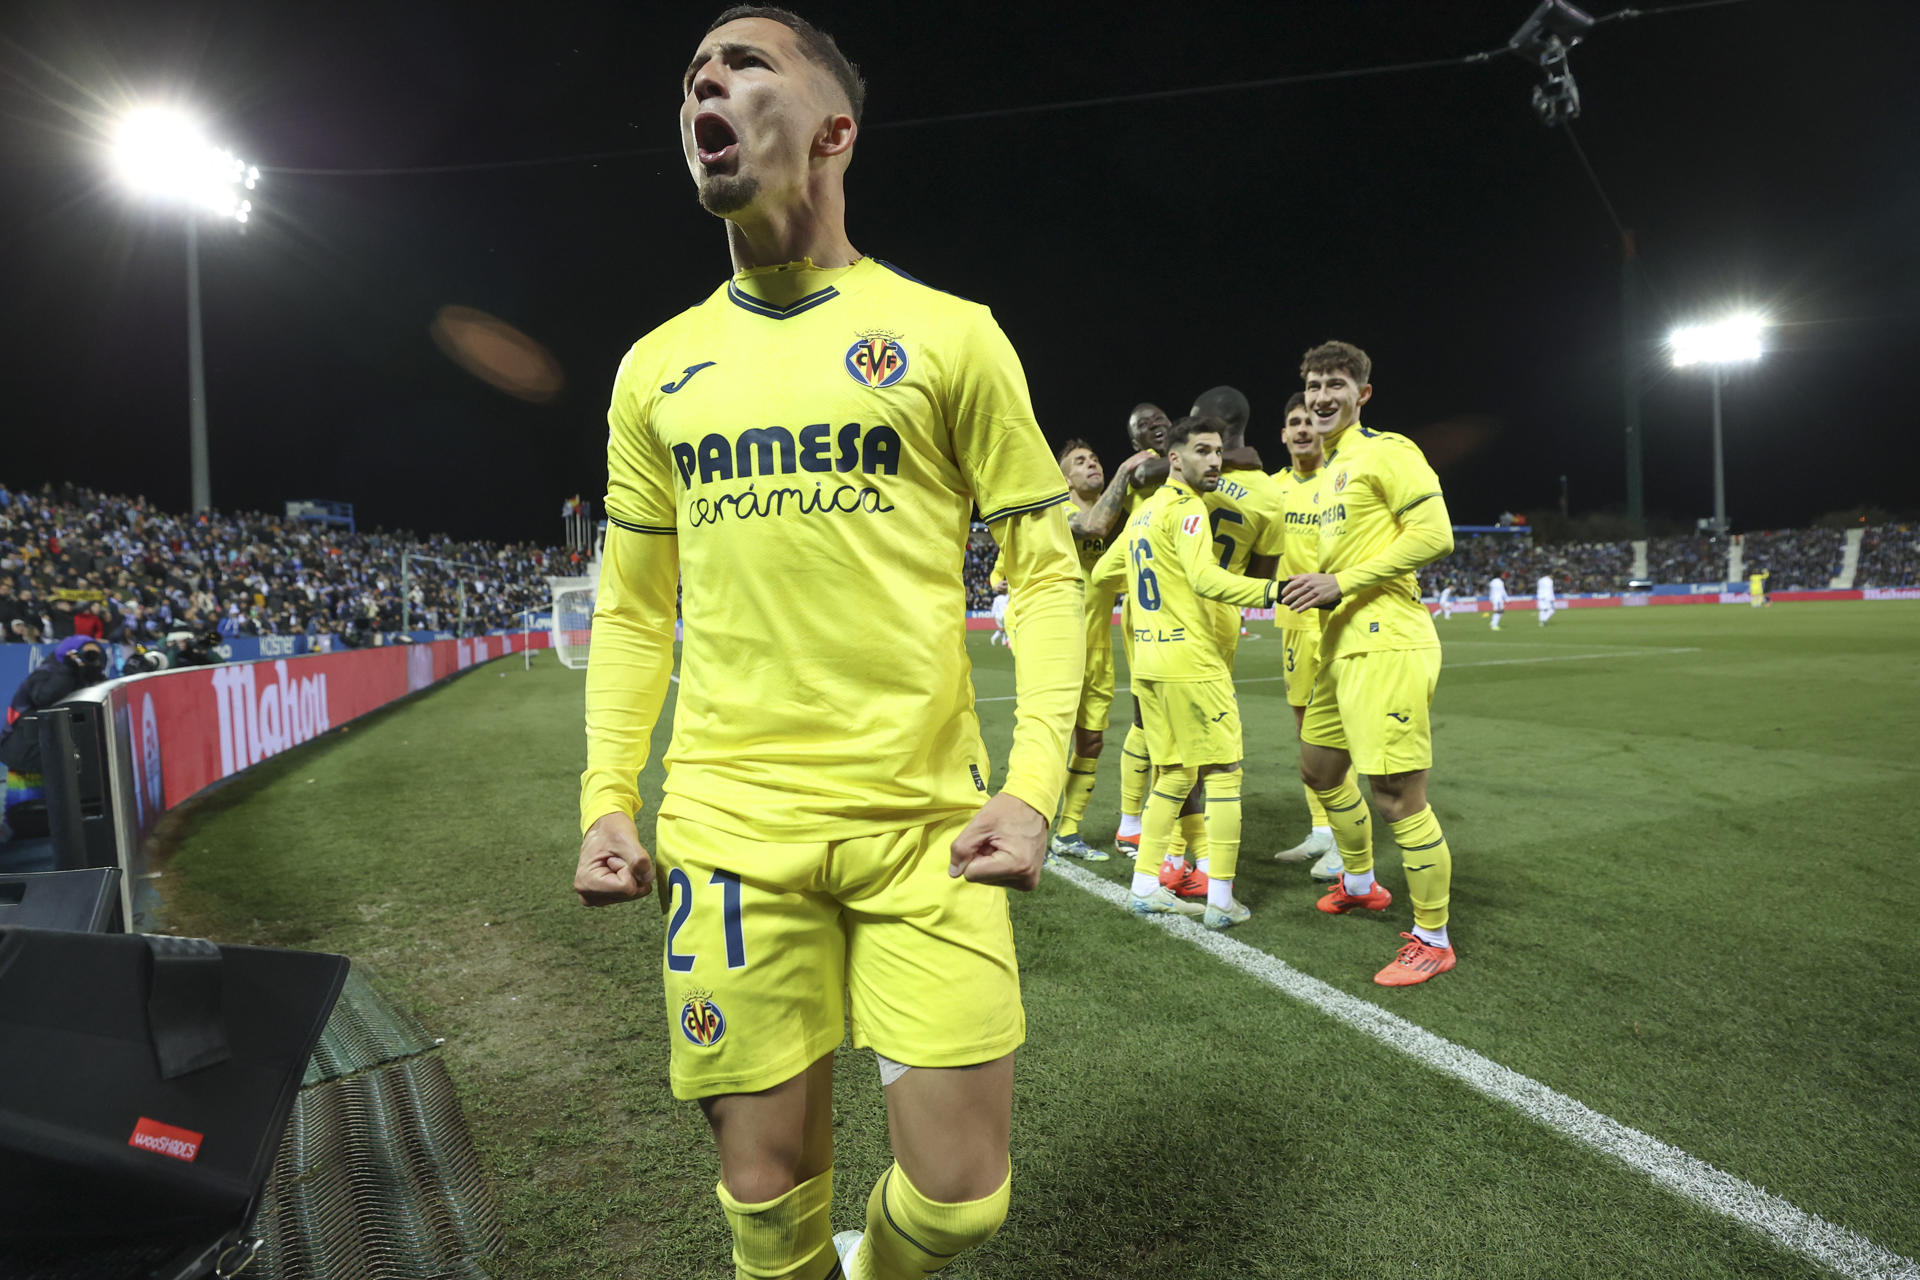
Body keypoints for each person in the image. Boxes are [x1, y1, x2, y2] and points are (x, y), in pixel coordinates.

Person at [571, 9, 1083, 1278]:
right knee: (765, 1198)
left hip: (925, 824)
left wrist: (1030, 789)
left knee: (961, 1199)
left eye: (746, 63)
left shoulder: (952, 334)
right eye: (696, 70)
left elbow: (1044, 572)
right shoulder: (658, 369)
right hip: (733, 826)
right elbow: (635, 607)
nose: (709, 80)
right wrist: (607, 796)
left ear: (834, 128)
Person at [1280, 341, 1461, 986]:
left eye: (1335, 384)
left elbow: (1436, 533)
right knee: (1320, 767)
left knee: (1395, 796)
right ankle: (1360, 883)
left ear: (1362, 394)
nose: (1321, 396)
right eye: (1312, 385)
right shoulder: (1328, 470)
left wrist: (1342, 581)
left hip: (1386, 640)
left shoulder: (1388, 450)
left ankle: (1432, 937)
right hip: (1339, 642)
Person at [1094, 416, 1282, 928]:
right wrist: (1276, 591)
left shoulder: (1143, 515)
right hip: (1193, 664)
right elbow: (1206, 579)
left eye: (1219, 451)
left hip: (1149, 663)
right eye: (1202, 450)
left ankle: (1145, 885)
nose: (1215, 460)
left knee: (1175, 773)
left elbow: (1101, 573)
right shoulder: (1190, 510)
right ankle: (1221, 901)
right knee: (1223, 774)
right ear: (1174, 458)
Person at [1048, 439, 1154, 862]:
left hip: (1097, 644)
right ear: (1064, 478)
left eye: (1095, 458)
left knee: (1090, 742)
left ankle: (1067, 832)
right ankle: (1034, 829)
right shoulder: (1058, 511)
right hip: (1056, 644)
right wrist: (1126, 469)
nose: (1092, 463)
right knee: (1049, 741)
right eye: (1080, 462)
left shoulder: (1118, 522)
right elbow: (1091, 525)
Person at [1268, 391, 1351, 883]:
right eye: (1292, 421)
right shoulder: (1271, 489)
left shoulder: (1338, 481)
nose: (1302, 429)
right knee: (1306, 732)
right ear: (1283, 433)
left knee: (1342, 732)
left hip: (1338, 619)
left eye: (1308, 422)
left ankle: (1344, 838)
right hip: (1293, 622)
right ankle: (1321, 828)